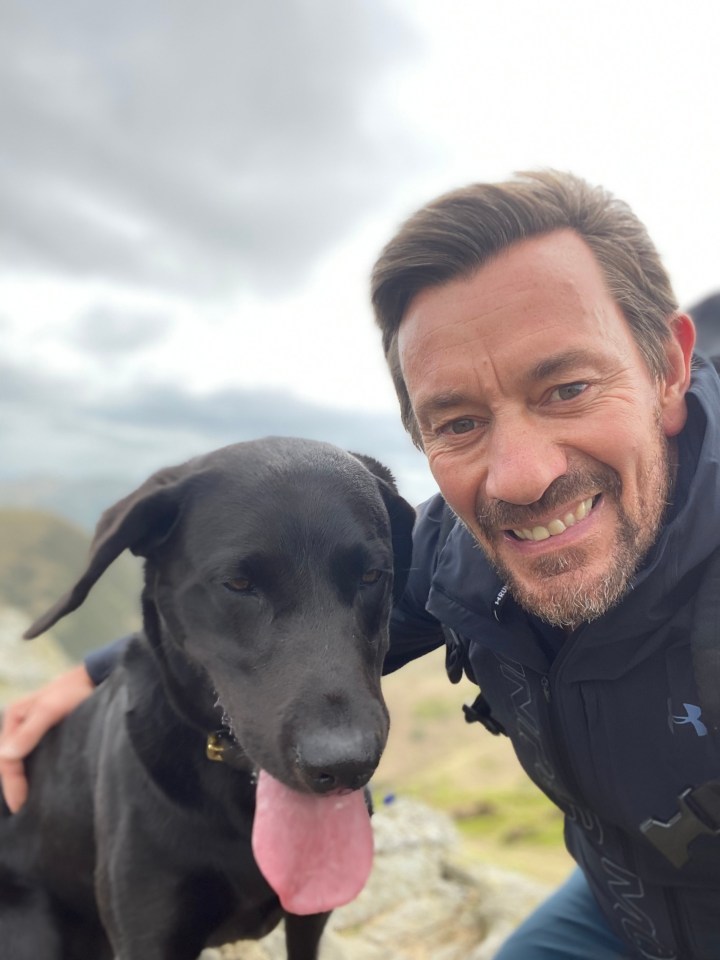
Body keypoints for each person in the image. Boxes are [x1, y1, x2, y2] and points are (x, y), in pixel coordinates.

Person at [1, 170, 717, 959]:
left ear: (668, 365)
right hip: (622, 899)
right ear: (421, 439)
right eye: (460, 421)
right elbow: (286, 596)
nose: (520, 475)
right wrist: (87, 675)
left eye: (567, 387)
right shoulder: (463, 554)